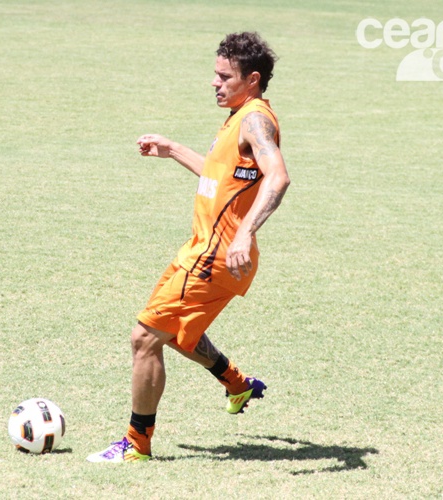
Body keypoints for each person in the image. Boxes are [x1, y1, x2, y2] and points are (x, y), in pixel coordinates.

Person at [87, 31, 290, 463]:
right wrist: (174, 149)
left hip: (216, 256)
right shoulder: (238, 116)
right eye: (215, 74)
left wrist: (245, 232)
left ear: (252, 79)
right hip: (205, 250)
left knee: (145, 338)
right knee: (181, 334)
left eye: (225, 76)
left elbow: (278, 176)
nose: (214, 83)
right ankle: (237, 384)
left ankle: (136, 445)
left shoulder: (255, 120)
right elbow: (222, 177)